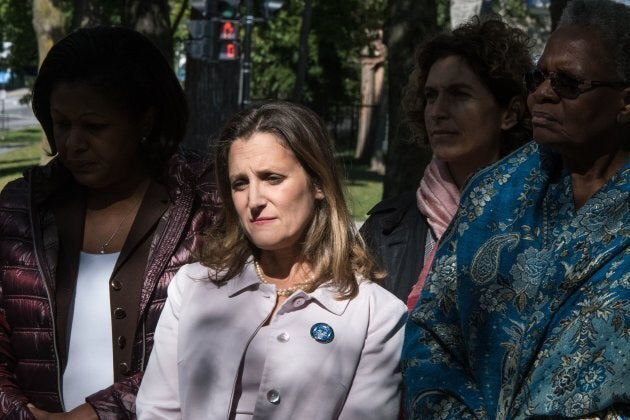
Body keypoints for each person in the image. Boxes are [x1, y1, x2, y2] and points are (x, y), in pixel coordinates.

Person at [402, 0, 630, 417]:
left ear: (625, 102)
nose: (542, 93)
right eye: (537, 77)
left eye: (567, 83)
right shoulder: (493, 194)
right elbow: (432, 332)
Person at [0, 26, 220, 418]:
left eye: (94, 127)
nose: (71, 144)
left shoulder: (206, 204)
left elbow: (216, 341)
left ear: (146, 122)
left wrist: (101, 413)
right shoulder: (21, 208)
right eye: (61, 124)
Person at [136, 101, 407, 419]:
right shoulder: (192, 286)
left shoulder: (376, 315)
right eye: (240, 183)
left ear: (318, 183)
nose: (254, 201)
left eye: (272, 178)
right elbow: (157, 409)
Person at [360, 16, 532, 309]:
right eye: (430, 96)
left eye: (459, 94)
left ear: (510, 113)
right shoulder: (386, 227)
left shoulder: (542, 218)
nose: (437, 111)